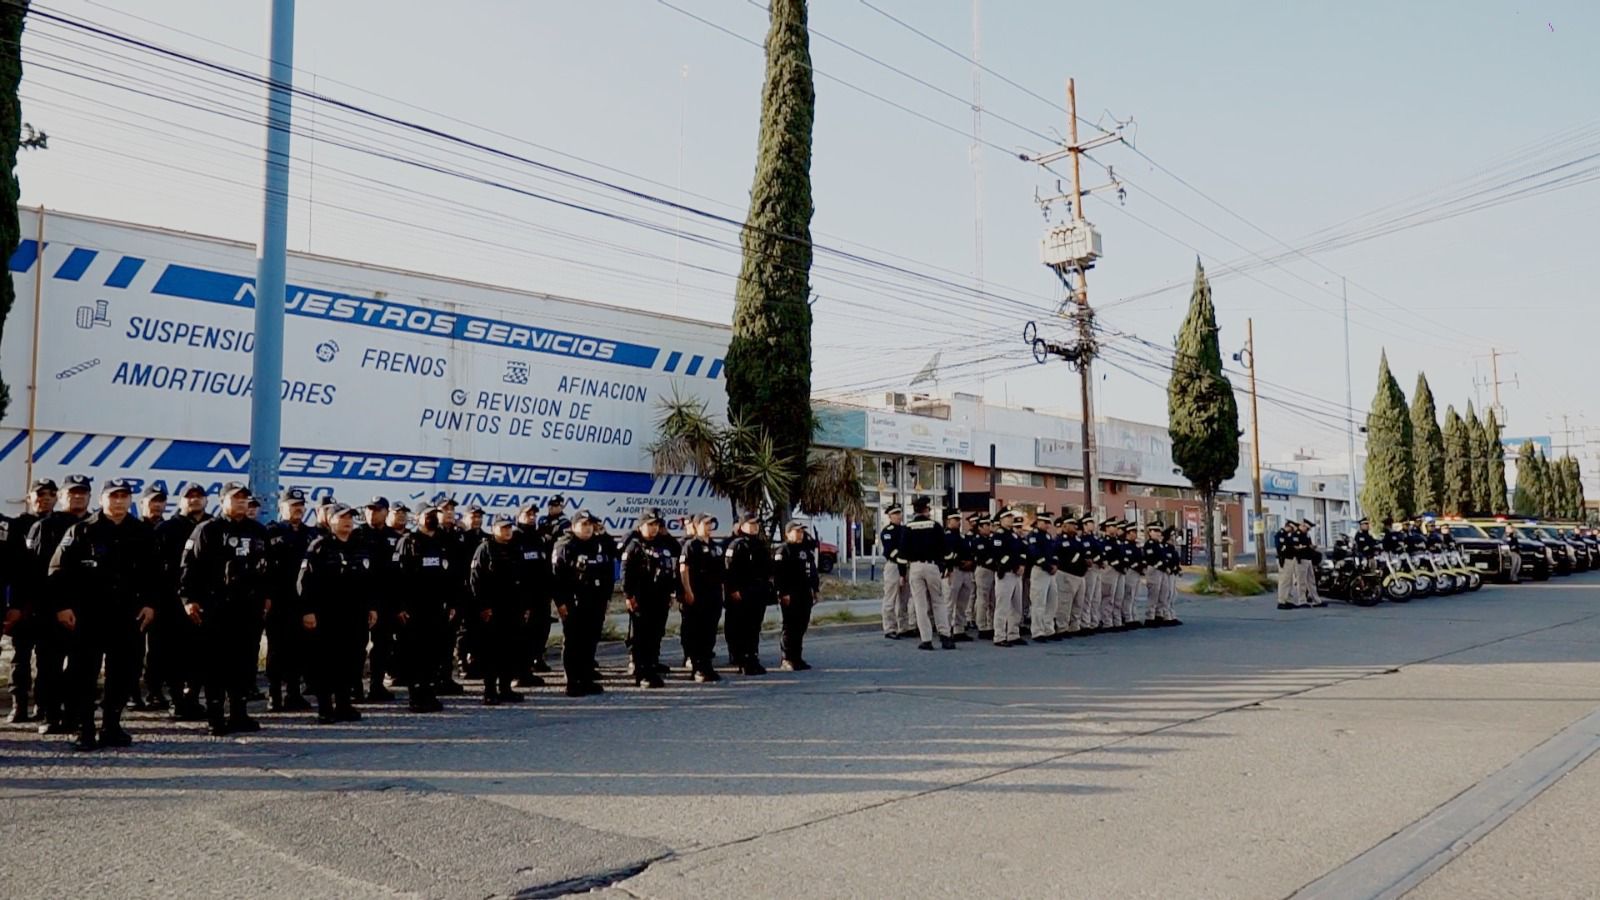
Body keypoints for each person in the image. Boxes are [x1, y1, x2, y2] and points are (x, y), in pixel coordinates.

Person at [49, 479, 156, 751]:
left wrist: (150, 603)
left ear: (130, 500)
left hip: (128, 617)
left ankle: (112, 724)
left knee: (125, 673)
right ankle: (84, 728)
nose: (118, 501)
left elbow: (158, 575)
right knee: (83, 674)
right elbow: (58, 571)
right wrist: (62, 606)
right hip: (89, 617)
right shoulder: (82, 531)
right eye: (113, 496)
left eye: (123, 496)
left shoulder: (142, 533)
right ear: (102, 499)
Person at [179, 482, 270, 735]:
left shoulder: (258, 531)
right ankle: (216, 717)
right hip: (216, 608)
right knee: (216, 665)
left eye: (244, 499)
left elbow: (265, 570)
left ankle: (240, 714)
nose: (241, 503)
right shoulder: (207, 530)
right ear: (222, 502)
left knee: (244, 663)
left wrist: (265, 597)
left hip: (248, 609)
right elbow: (189, 568)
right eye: (235, 498)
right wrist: (189, 600)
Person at [21, 474, 93, 735]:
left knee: (80, 667)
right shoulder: (46, 526)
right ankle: (49, 715)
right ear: (62, 496)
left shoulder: (94, 524)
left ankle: (74, 715)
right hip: (51, 609)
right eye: (72, 492)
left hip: (86, 609)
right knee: (49, 665)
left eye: (83, 492)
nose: (78, 496)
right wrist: (52, 606)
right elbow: (35, 572)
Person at [297, 503, 376, 723]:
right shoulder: (320, 546)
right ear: (331, 521)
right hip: (327, 616)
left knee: (351, 660)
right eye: (342, 517)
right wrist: (308, 610)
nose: (347, 521)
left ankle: (344, 704)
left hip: (355, 615)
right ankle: (325, 707)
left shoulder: (360, 546)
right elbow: (304, 581)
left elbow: (369, 580)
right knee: (326, 662)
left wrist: (371, 606)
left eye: (350, 517)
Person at [151, 483, 211, 719]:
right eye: (189, 496)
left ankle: (193, 698)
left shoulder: (212, 527)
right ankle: (177, 700)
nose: (194, 500)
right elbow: (155, 567)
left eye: (199, 496)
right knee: (174, 654)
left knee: (200, 653)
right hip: (172, 602)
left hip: (205, 600)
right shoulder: (166, 529)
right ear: (180, 500)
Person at [5, 478, 59, 725]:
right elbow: (11, 569)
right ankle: (19, 705)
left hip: (50, 602)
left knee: (48, 659)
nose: (45, 498)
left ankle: (43, 704)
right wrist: (15, 605)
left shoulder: (62, 524)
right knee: (21, 658)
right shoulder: (16, 526)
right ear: (29, 497)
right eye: (39, 493)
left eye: (50, 494)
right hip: (23, 602)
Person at [394, 506, 457, 712]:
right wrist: (400, 606)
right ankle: (415, 695)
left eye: (433, 514)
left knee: (433, 653)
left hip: (437, 608)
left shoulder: (442, 541)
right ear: (417, 518)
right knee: (415, 653)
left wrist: (451, 603)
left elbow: (450, 576)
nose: (431, 518)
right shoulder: (409, 541)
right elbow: (398, 576)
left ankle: (429, 692)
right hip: (414, 609)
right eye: (427, 514)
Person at [468, 515, 529, 705]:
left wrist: (525, 606)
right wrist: (482, 606)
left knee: (510, 650)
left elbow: (524, 580)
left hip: (513, 608)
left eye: (509, 527)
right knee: (491, 652)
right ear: (494, 529)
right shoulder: (485, 549)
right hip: (492, 610)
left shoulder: (516, 548)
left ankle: (505, 688)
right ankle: (489, 690)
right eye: (502, 528)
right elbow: (475, 581)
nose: (507, 531)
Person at [552, 510, 612, 696]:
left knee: (590, 641)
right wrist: (561, 603)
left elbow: (608, 572)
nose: (588, 528)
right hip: (573, 603)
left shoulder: (598, 544)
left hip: (595, 602)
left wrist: (607, 598)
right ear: (573, 526)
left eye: (590, 525)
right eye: (584, 524)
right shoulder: (565, 546)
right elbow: (556, 578)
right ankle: (572, 681)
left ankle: (586, 678)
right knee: (574, 642)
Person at [263, 489, 312, 712]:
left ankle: (294, 693)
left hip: (301, 601)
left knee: (299, 649)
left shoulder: (311, 535)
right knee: (276, 649)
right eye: (293, 505)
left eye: (300, 505)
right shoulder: (271, 532)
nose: (298, 509)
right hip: (278, 600)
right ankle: (274, 694)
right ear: (282, 508)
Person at [622, 510, 678, 688]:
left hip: (660, 597)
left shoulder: (663, 544)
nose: (654, 529)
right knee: (642, 636)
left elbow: (675, 554)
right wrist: (628, 596)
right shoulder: (635, 546)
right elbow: (626, 573)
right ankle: (642, 672)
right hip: (642, 598)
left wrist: (671, 594)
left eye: (656, 525)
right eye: (650, 525)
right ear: (641, 526)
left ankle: (652, 665)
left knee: (656, 633)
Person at [355, 497, 400, 701]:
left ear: (386, 512)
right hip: (361, 599)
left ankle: (376, 685)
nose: (373, 513)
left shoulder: (395, 537)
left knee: (383, 646)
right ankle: (354, 687)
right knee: (356, 645)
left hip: (386, 600)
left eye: (378, 509)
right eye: (369, 509)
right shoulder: (357, 535)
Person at [722, 513, 773, 674]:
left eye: (756, 524)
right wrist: (733, 590)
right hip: (742, 592)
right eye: (751, 524)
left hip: (758, 592)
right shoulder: (736, 545)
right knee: (740, 626)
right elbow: (728, 570)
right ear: (742, 526)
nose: (754, 527)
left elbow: (767, 569)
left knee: (754, 626)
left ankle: (752, 656)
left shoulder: (760, 545)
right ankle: (741, 657)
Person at [901, 496, 952, 651]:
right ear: (926, 509)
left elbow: (903, 553)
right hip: (932, 567)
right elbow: (945, 550)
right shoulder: (935, 526)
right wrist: (946, 567)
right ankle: (945, 636)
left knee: (920, 604)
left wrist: (902, 574)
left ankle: (926, 639)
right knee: (938, 601)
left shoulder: (908, 527)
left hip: (915, 567)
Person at [513, 503, 555, 682]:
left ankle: (530, 666)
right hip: (523, 596)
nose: (531, 517)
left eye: (534, 514)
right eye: (527, 514)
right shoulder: (515, 538)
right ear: (519, 516)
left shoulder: (540, 538)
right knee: (522, 635)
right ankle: (519, 673)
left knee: (540, 631)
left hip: (541, 595)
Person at [679, 514, 724, 682]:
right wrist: (688, 591)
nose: (708, 526)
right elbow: (684, 569)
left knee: (710, 632)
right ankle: (698, 668)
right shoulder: (691, 545)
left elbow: (721, 573)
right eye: (705, 523)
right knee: (697, 631)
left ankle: (707, 665)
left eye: (710, 523)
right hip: (698, 594)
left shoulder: (716, 547)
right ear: (696, 526)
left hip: (713, 595)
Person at [774, 520, 820, 670]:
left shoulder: (806, 550)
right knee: (790, 626)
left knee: (801, 625)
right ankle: (787, 658)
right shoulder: (783, 550)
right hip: (790, 594)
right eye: (796, 531)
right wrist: (783, 592)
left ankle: (797, 657)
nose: (800, 534)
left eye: (801, 531)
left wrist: (815, 589)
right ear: (788, 533)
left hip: (804, 593)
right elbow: (778, 574)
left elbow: (812, 571)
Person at [991, 510, 1027, 647]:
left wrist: (1022, 564)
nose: (1010, 519)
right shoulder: (998, 536)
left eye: (1011, 517)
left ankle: (1013, 634)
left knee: (1017, 606)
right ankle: (999, 635)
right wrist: (1015, 565)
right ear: (1001, 520)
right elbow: (999, 555)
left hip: (1017, 573)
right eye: (1007, 517)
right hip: (1005, 572)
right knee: (1002, 606)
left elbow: (1023, 550)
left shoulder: (1014, 535)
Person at [1024, 513, 1060, 642]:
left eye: (1048, 522)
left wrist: (1055, 564)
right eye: (1045, 522)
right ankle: (1037, 631)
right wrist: (1048, 566)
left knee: (1052, 601)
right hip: (1040, 570)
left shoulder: (1048, 536)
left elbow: (1054, 552)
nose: (1047, 525)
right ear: (1038, 522)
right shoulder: (1033, 536)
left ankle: (1048, 629)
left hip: (1051, 571)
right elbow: (1034, 553)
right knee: (1039, 602)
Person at [942, 512, 976, 641]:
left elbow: (969, 551)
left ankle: (959, 629)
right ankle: (946, 630)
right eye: (955, 519)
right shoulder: (946, 536)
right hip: (954, 570)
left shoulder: (962, 536)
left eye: (958, 519)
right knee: (949, 602)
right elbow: (947, 554)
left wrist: (970, 562)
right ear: (948, 521)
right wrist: (959, 562)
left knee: (963, 603)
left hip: (966, 572)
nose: (958, 521)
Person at [878, 505, 910, 639]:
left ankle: (903, 627)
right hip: (894, 566)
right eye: (895, 514)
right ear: (889, 516)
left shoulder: (905, 530)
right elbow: (890, 551)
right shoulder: (887, 531)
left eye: (899, 513)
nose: (898, 516)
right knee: (890, 598)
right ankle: (889, 628)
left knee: (904, 599)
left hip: (906, 566)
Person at [1054, 517, 1089, 637]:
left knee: (1078, 603)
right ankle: (1062, 627)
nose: (1075, 526)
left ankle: (1075, 626)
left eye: (1075, 524)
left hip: (1080, 575)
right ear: (1064, 526)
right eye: (1071, 524)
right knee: (1065, 603)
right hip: (1067, 574)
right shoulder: (1060, 540)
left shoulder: (1077, 540)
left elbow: (1084, 553)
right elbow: (1060, 556)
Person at [971, 516, 999, 640]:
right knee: (982, 599)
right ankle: (981, 626)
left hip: (993, 570)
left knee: (993, 600)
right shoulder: (978, 540)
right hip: (984, 569)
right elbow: (982, 556)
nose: (989, 528)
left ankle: (991, 625)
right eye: (987, 525)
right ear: (980, 527)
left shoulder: (991, 539)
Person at [1142, 523, 1175, 625]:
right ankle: (1150, 617)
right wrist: (1163, 566)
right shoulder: (1149, 545)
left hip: (1162, 571)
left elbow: (1165, 558)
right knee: (1154, 594)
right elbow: (1151, 559)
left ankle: (1159, 614)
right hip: (1154, 570)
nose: (1157, 533)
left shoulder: (1159, 544)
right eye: (1155, 531)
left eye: (1158, 531)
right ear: (1150, 532)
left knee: (1163, 593)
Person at [1296, 520, 1326, 607]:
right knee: (1301, 581)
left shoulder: (1306, 535)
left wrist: (1312, 547)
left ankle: (1316, 600)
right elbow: (1297, 547)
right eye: (1307, 528)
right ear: (1303, 526)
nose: (1308, 530)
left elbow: (1309, 545)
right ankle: (1302, 600)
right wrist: (1307, 547)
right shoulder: (1297, 535)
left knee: (1311, 581)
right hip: (1301, 559)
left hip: (1308, 559)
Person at [1275, 522, 1300, 610]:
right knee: (1284, 581)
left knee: (1290, 581)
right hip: (1284, 559)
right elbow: (1281, 548)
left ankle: (1288, 600)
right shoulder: (1280, 534)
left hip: (1290, 558)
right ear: (1288, 527)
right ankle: (1281, 601)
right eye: (1291, 528)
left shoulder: (1288, 535)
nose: (1293, 530)